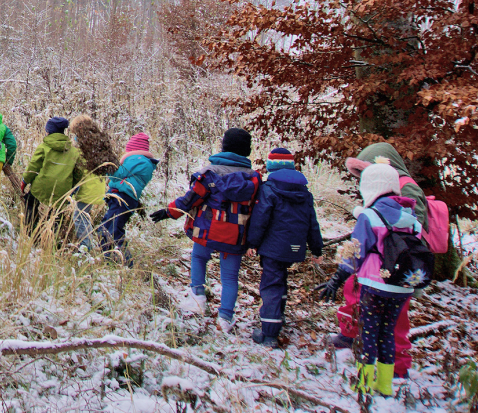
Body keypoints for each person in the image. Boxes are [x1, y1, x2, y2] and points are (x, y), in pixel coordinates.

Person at [330, 142, 441, 378]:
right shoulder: (393, 196)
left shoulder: (406, 190)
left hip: (389, 270)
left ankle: (391, 370)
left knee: (389, 326)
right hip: (382, 270)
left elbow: (408, 236)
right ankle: (351, 337)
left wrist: (342, 272)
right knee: (360, 301)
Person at [316, 163, 424, 398]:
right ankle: (385, 384)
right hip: (402, 286)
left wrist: (337, 279)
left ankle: (364, 383)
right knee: (387, 333)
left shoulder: (370, 216)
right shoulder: (412, 218)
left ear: (370, 188)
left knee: (369, 334)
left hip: (374, 286)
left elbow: (355, 252)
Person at [150, 128, 261, 332]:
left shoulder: (209, 173)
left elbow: (190, 199)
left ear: (224, 146)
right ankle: (225, 318)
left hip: (207, 232)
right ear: (246, 150)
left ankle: (198, 296)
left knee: (199, 258)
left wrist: (168, 212)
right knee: (230, 277)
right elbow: (258, 208)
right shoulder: (254, 178)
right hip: (236, 236)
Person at [245, 147, 324, 347]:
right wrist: (316, 249)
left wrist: (252, 243)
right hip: (294, 248)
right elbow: (312, 223)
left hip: (273, 247)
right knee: (280, 281)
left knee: (271, 284)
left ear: (271, 167)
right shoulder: (304, 193)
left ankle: (269, 334)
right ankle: (277, 318)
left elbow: (260, 219)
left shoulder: (268, 189)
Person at [97, 133, 158, 265]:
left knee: (112, 229)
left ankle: (125, 262)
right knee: (108, 227)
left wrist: (106, 164)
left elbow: (117, 175)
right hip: (124, 199)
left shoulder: (137, 160)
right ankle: (108, 259)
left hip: (122, 198)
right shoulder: (143, 161)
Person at [20, 117, 87, 239]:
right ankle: (52, 237)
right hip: (62, 191)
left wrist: (25, 181)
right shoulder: (73, 151)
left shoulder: (44, 147)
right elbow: (78, 174)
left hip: (41, 187)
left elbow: (33, 167)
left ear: (48, 131)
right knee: (57, 214)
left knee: (31, 203)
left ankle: (31, 233)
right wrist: (72, 188)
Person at [69, 114, 118, 251]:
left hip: (87, 187)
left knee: (79, 217)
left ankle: (87, 247)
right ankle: (89, 244)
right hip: (98, 185)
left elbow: (78, 168)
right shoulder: (98, 143)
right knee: (84, 215)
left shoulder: (82, 147)